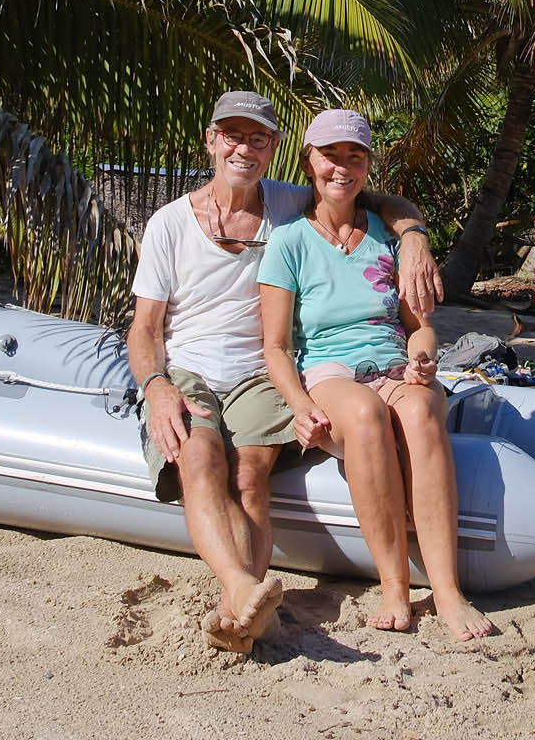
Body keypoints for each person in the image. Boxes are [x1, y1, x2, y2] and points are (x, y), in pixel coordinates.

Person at [126, 91, 441, 655]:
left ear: (274, 148)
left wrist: (414, 237)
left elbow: (376, 197)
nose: (243, 147)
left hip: (260, 373)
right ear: (211, 139)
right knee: (200, 457)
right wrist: (156, 388)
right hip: (190, 368)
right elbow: (145, 328)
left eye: (258, 137)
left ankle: (242, 611)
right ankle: (244, 592)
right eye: (232, 135)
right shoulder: (169, 225)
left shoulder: (290, 203)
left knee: (249, 474)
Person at [258, 109, 498, 641]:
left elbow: (420, 328)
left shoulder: (388, 236)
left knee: (419, 408)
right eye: (330, 155)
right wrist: (301, 406)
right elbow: (275, 346)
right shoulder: (289, 241)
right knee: (366, 415)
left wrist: (424, 356)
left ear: (368, 165)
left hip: (390, 360)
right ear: (308, 161)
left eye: (355, 156)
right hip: (330, 369)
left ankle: (448, 590)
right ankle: (394, 587)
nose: (342, 167)